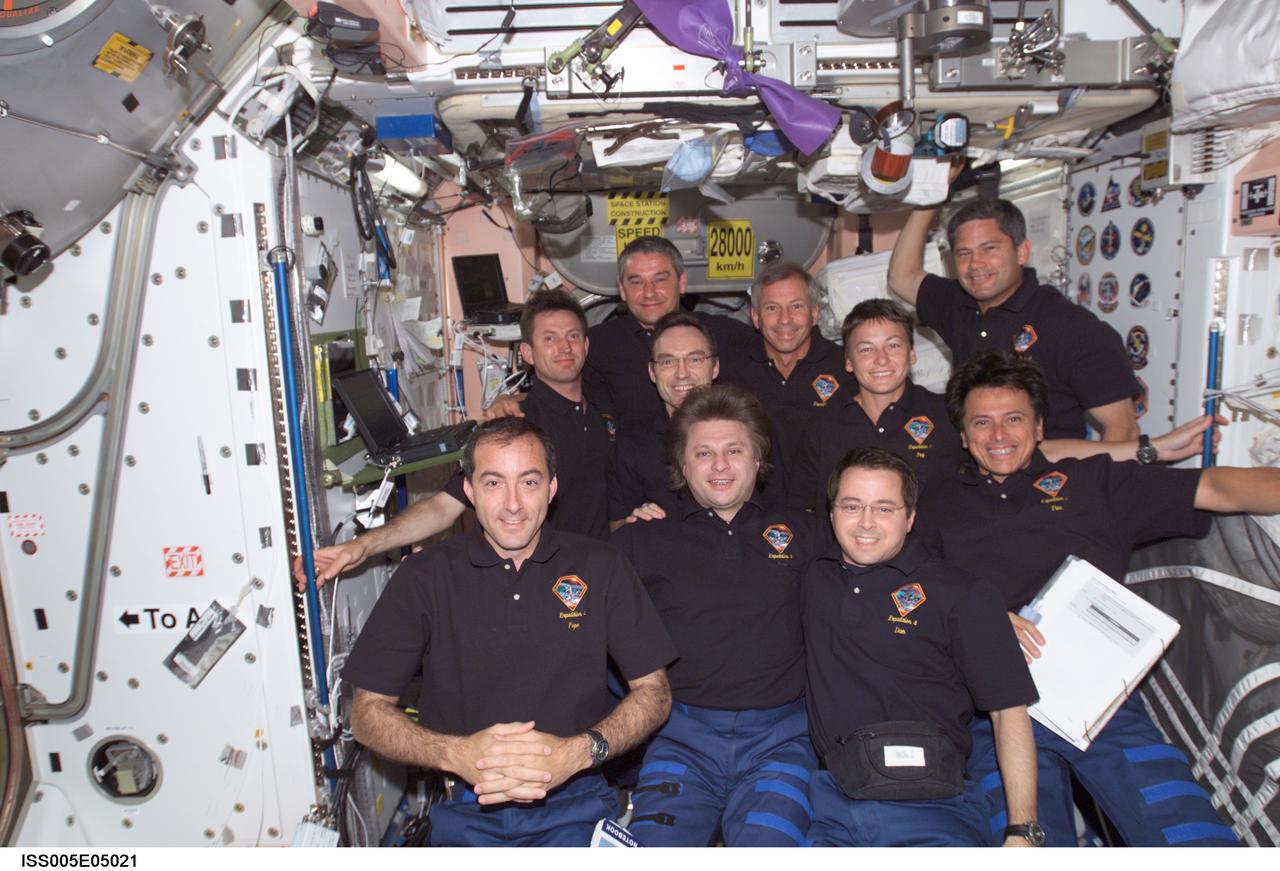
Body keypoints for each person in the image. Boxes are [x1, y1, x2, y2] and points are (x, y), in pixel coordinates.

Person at [915, 351, 1280, 846]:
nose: (998, 435)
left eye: (1014, 419)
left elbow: (1216, 488)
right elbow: (905, 599)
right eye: (982, 422)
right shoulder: (933, 504)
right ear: (963, 435)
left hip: (1104, 705)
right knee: (1025, 842)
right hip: (993, 713)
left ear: (1039, 427)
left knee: (1191, 836)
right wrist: (976, 619)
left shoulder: (1093, 483)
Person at [343, 416, 676, 846]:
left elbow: (655, 692)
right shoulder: (424, 577)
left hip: (578, 803)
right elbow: (366, 714)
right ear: (469, 491)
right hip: (466, 809)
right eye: (494, 483)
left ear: (552, 488)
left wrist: (576, 753)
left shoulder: (601, 566)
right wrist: (456, 754)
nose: (513, 504)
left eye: (529, 482)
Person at [610, 385, 820, 846]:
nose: (720, 465)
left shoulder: (808, 533)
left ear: (758, 459)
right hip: (680, 740)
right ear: (683, 466)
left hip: (781, 743)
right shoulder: (641, 541)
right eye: (703, 453)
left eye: (734, 451)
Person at [294, 289, 613, 586]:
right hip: (547, 584)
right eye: (550, 338)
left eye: (573, 336)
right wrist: (362, 545)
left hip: (601, 570)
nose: (564, 347)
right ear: (527, 352)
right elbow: (444, 507)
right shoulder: (518, 429)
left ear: (586, 346)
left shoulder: (602, 402)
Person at [803, 447, 1040, 847]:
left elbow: (1008, 714)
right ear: (831, 514)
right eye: (851, 506)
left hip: (933, 809)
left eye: (884, 508)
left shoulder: (963, 594)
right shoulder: (812, 578)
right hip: (832, 810)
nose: (866, 522)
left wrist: (1023, 831)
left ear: (910, 517)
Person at [887, 196, 1140, 440]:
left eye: (989, 249)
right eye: (964, 253)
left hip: (1049, 466)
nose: (975, 263)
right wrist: (929, 197)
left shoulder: (1072, 327)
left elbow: (1123, 431)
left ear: (1022, 252)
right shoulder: (958, 304)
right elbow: (902, 277)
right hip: (973, 464)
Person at [608, 311, 785, 524]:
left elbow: (779, 515)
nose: (682, 373)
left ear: (715, 367)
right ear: (652, 372)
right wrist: (633, 525)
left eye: (695, 359)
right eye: (668, 362)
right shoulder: (633, 437)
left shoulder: (751, 426)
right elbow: (616, 524)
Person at [789, 299, 964, 511]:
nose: (881, 359)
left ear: (912, 353)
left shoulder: (946, 417)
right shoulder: (821, 427)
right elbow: (800, 510)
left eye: (893, 346)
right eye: (866, 349)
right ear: (848, 362)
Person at [583, 236, 756, 428]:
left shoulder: (729, 336)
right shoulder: (594, 347)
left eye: (660, 280)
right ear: (622, 288)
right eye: (637, 282)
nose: (649, 292)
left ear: (682, 282)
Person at [732, 262, 855, 484]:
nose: (785, 319)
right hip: (755, 503)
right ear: (756, 317)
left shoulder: (846, 371)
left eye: (796, 306)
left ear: (814, 313)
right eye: (772, 308)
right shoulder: (733, 374)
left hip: (827, 502)